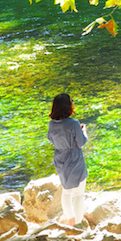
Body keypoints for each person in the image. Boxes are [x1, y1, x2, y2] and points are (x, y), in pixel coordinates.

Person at [47, 93, 88, 226]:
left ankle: (70, 220)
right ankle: (78, 223)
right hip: (75, 158)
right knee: (79, 194)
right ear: (68, 106)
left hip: (60, 159)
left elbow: (50, 138)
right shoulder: (74, 123)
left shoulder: (51, 124)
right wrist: (84, 132)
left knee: (66, 191)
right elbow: (81, 143)